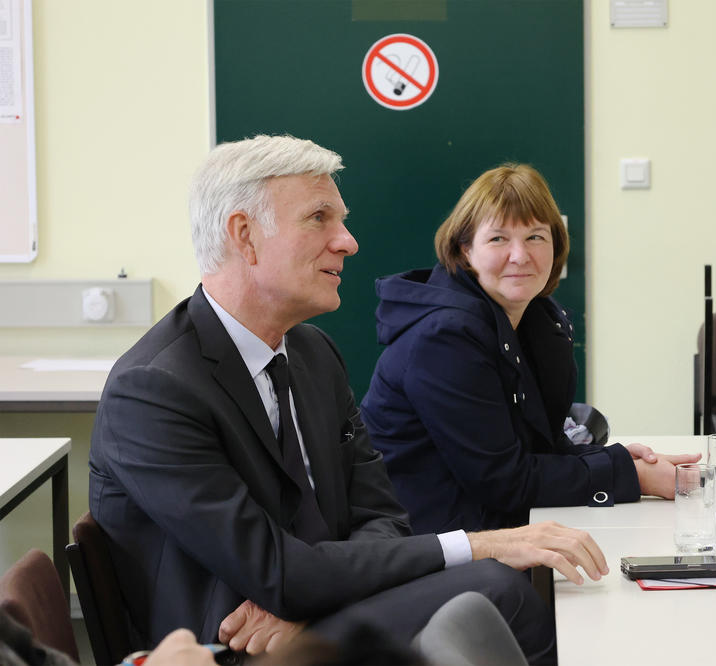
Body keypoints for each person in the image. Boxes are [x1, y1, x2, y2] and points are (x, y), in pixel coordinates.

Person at [88, 136, 608, 663]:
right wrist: (481, 542)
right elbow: (273, 571)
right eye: (319, 218)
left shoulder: (313, 353)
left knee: (496, 590)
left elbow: (383, 514)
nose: (347, 242)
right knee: (496, 590)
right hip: (228, 648)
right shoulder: (154, 390)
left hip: (307, 610)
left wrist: (311, 591)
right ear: (244, 236)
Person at [361, 164, 701, 534]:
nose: (520, 256)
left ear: (556, 245)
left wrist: (624, 461)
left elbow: (535, 452)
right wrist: (632, 476)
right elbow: (503, 480)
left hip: (489, 522)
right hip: (430, 541)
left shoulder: (538, 318)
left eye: (536, 237)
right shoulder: (444, 337)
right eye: (498, 239)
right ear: (465, 251)